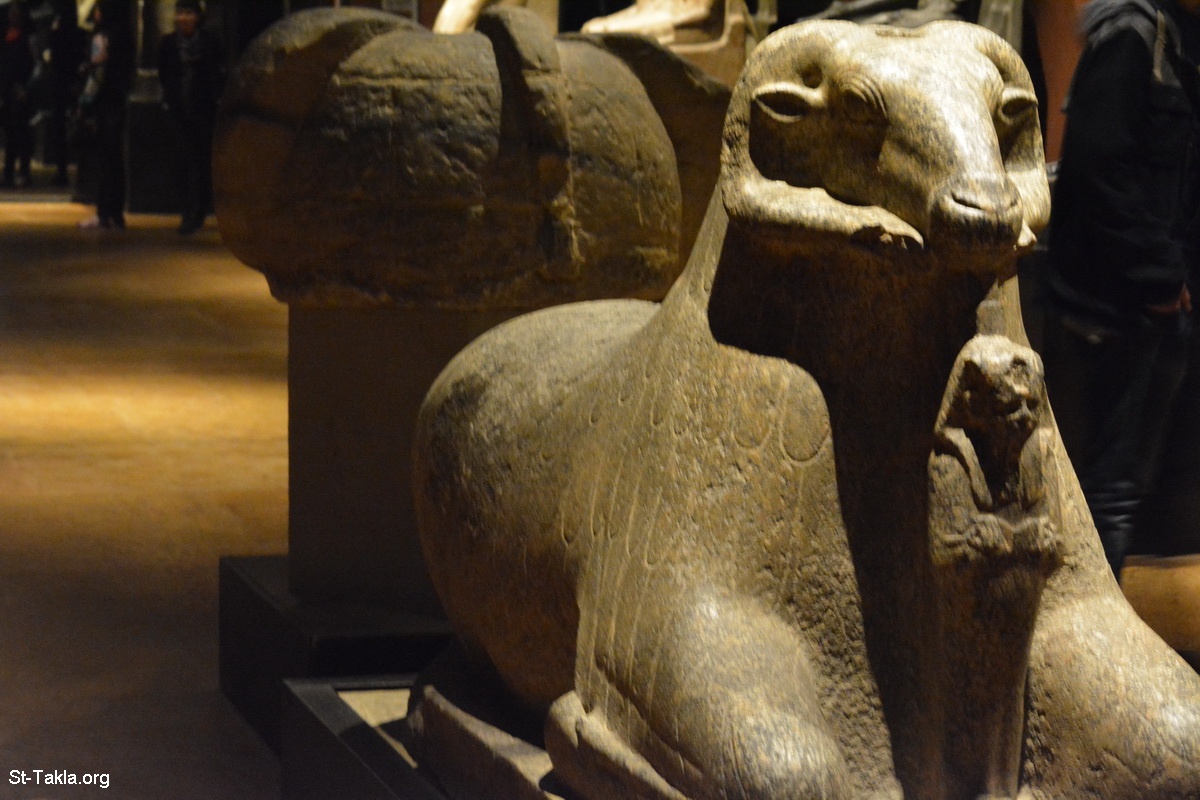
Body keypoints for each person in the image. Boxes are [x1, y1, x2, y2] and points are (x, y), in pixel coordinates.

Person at [1042, 0, 1200, 577]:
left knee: (1116, 488)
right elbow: (1098, 168)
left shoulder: (1166, 38)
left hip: (1143, 307)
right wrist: (1161, 279)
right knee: (1107, 493)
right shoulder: (1134, 38)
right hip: (1120, 309)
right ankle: (1091, 617)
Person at [157, 0, 224, 235]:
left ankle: (199, 210)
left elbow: (217, 73)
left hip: (203, 109)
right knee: (183, 162)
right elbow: (164, 74)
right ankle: (187, 211)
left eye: (188, 13)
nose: (184, 18)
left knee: (201, 162)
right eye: (180, 13)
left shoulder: (209, 42)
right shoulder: (168, 44)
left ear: (197, 17)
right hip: (179, 109)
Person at [78, 0, 134, 230]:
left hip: (102, 102)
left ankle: (103, 213)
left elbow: (97, 73)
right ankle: (116, 214)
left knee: (104, 159)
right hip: (118, 100)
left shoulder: (102, 37)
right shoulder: (126, 36)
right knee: (115, 159)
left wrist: (85, 103)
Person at [1, 1, 36, 187]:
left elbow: (36, 65)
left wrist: (26, 87)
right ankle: (8, 172)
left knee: (21, 132)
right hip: (8, 89)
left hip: (21, 89)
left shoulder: (28, 36)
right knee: (10, 132)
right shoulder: (7, 35)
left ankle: (24, 171)